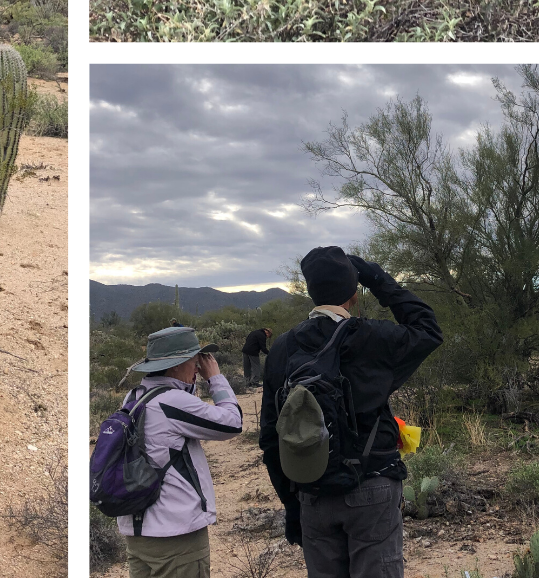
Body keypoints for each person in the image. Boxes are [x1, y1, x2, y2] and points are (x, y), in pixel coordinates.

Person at [260, 246, 442, 578]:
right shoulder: (370, 337)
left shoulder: (283, 349)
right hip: (372, 484)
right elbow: (427, 328)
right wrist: (377, 278)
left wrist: (291, 505)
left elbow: (271, 439)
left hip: (312, 492)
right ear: (354, 295)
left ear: (311, 291)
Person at [112, 325, 243, 578]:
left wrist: (189, 383)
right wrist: (215, 378)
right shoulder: (172, 402)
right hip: (176, 536)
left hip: (138, 533)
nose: (198, 366)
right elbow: (232, 423)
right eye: (194, 361)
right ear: (175, 365)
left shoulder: (135, 395)